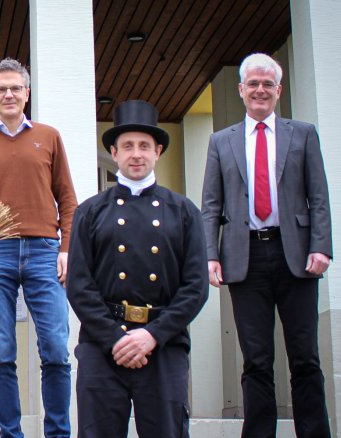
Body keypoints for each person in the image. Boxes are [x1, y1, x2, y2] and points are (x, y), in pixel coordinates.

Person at [202, 53, 332, 438]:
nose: (260, 90)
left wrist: (321, 246)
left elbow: (319, 195)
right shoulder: (220, 141)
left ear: (279, 90)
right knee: (256, 360)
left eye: (267, 84)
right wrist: (210, 253)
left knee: (305, 358)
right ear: (241, 90)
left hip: (298, 257)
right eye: (253, 84)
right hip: (245, 259)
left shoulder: (303, 133)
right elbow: (212, 204)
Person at [67, 100, 208, 437]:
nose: (136, 154)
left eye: (144, 146)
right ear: (114, 153)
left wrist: (151, 336)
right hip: (103, 345)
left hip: (164, 344)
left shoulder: (184, 212)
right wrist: (117, 338)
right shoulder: (90, 212)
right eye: (127, 146)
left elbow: (195, 287)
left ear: (157, 151)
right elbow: (79, 286)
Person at [0, 58, 77, 437]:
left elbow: (67, 198)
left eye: (15, 88)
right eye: (1, 89)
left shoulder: (49, 136)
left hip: (44, 250)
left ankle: (57, 432)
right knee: (1, 348)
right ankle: (11, 432)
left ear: (27, 93)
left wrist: (66, 248)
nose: (9, 94)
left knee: (56, 347)